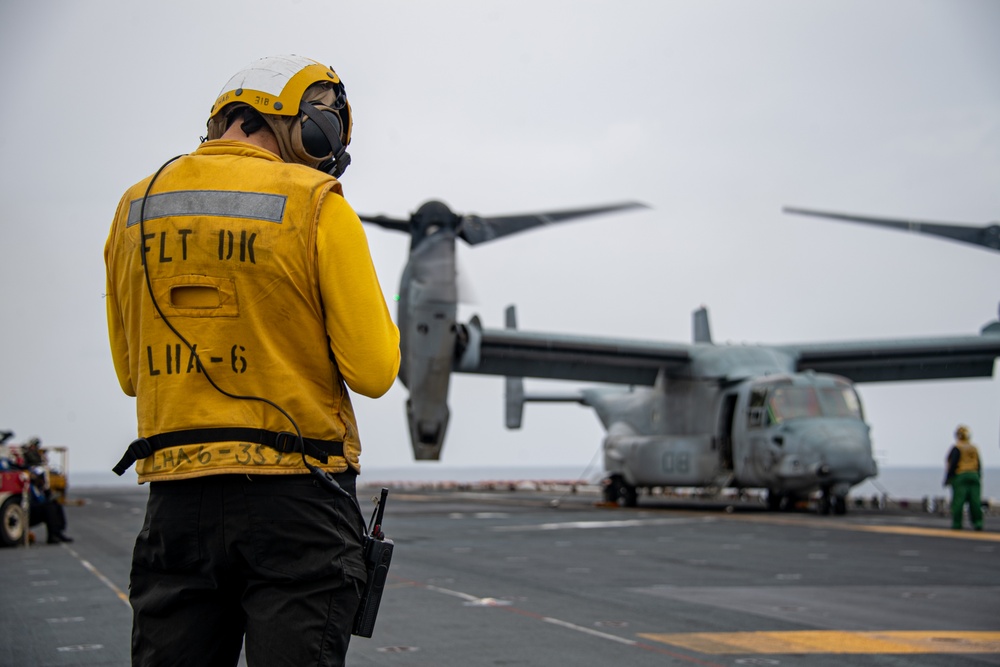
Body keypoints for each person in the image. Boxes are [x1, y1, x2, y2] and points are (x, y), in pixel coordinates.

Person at [104, 55, 400, 667]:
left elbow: (131, 375)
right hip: (297, 502)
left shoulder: (135, 208)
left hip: (176, 498)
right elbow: (374, 373)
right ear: (309, 122)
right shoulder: (318, 202)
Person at [944, 425, 983, 531]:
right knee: (975, 501)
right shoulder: (974, 448)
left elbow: (953, 464)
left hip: (961, 476)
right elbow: (979, 464)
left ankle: (957, 524)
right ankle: (978, 522)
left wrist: (948, 478)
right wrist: (978, 476)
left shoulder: (957, 448)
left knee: (958, 501)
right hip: (974, 476)